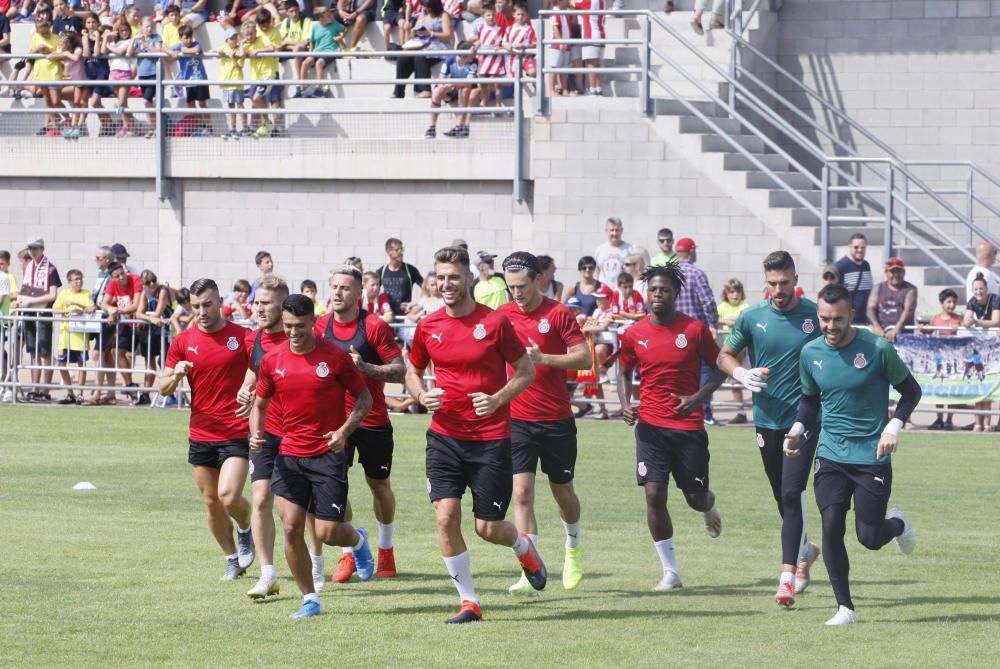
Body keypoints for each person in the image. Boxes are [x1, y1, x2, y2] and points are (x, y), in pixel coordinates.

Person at [404, 246, 544, 624]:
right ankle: (469, 602)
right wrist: (419, 394)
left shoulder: (495, 323)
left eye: (454, 277)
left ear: (469, 278)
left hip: (491, 440)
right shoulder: (428, 325)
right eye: (441, 277)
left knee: (487, 528)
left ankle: (522, 546)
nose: (447, 284)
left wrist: (497, 399)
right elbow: (412, 370)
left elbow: (525, 370)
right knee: (446, 517)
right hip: (444, 436)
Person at [784, 283, 920, 625]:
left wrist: (894, 427)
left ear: (851, 316)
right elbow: (810, 399)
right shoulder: (810, 352)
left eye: (838, 319)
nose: (830, 326)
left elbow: (911, 392)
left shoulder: (877, 348)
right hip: (830, 453)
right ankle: (845, 608)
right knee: (831, 526)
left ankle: (898, 523)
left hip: (872, 455)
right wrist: (799, 430)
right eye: (824, 319)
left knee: (870, 537)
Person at [250, 293, 375, 619]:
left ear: (313, 323)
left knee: (328, 533)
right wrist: (257, 432)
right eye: (288, 326)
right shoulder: (272, 360)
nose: (293, 332)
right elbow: (259, 404)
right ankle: (309, 599)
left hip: (327, 456)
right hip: (289, 456)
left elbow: (364, 399)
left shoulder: (334, 357)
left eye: (300, 326)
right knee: (291, 528)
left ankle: (358, 540)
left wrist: (344, 432)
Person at [717, 251, 823, 607]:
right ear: (766, 282)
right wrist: (741, 373)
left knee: (793, 492)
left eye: (785, 282)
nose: (779, 289)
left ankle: (787, 578)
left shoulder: (813, 315)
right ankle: (806, 547)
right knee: (782, 495)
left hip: (804, 418)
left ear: (795, 280)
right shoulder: (751, 317)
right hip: (766, 418)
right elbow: (724, 355)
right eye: (773, 283)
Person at [616, 263, 725, 591]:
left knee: (695, 497)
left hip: (688, 426)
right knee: (654, 493)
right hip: (650, 426)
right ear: (645, 294)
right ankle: (671, 572)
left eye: (664, 290)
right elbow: (622, 371)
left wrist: (698, 398)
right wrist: (625, 403)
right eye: (653, 290)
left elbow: (720, 367)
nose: (658, 295)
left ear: (676, 294)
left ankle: (709, 505)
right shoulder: (634, 333)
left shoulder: (694, 330)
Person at [498, 252, 590, 596]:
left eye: (522, 286)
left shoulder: (558, 313)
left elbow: (583, 358)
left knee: (562, 491)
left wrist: (544, 358)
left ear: (538, 279)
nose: (517, 293)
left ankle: (573, 548)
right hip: (517, 418)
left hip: (556, 420)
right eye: (511, 288)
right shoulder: (503, 315)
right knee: (521, 493)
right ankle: (530, 567)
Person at [158, 279, 256, 582]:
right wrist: (176, 376)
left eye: (207, 304)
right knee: (211, 501)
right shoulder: (183, 341)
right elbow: (162, 388)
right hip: (201, 431)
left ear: (220, 301)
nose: (201, 311)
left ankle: (245, 528)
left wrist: (247, 387)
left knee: (228, 496)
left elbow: (260, 366)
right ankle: (231, 559)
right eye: (196, 305)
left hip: (237, 429)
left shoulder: (243, 336)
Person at [317, 266, 406, 583]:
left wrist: (364, 366)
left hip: (372, 421)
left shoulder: (374, 327)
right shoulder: (319, 327)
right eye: (334, 286)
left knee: (378, 485)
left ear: (359, 293)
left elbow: (399, 371)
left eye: (345, 288)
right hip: (332, 424)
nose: (338, 292)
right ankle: (350, 553)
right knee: (334, 484)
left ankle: (385, 548)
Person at [232, 275, 290, 599]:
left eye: (266, 303)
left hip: (298, 432)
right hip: (263, 431)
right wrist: (245, 388)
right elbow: (253, 370)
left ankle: (318, 559)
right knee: (260, 498)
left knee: (295, 508)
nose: (259, 308)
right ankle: (267, 573)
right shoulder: (254, 339)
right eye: (257, 302)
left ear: (283, 305)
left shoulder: (298, 340)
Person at [674, 237, 720, 426]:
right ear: (691, 251)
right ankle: (704, 412)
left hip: (674, 332)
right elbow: (708, 302)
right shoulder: (697, 274)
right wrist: (713, 324)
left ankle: (677, 409)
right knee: (706, 371)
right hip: (696, 331)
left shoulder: (669, 274)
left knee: (677, 373)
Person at [15, 238, 61, 402]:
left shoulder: (50, 269)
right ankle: (35, 389)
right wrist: (20, 300)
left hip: (42, 313)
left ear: (42, 249)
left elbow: (53, 295)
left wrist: (29, 301)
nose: (33, 252)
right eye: (30, 249)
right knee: (33, 351)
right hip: (29, 314)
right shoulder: (29, 268)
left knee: (45, 352)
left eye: (36, 249)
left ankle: (45, 390)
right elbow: (26, 289)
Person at [393, 0, 453, 99]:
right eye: (425, 7)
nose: (427, 9)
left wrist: (431, 33)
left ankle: (425, 90)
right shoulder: (423, 14)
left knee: (420, 56)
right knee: (403, 58)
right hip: (422, 44)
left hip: (439, 46)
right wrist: (412, 31)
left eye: (429, 7)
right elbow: (417, 27)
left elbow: (448, 35)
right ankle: (398, 91)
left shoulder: (444, 16)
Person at [963, 274, 1000, 433]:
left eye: (981, 289)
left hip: (995, 345)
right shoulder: (972, 301)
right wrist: (967, 321)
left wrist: (976, 322)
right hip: (982, 348)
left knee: (994, 383)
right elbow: (966, 319)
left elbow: (996, 321)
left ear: (987, 289)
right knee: (982, 382)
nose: (979, 292)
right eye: (976, 289)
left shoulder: (995, 299)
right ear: (972, 290)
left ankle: (991, 422)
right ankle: (980, 422)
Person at [52, 269, 94, 405]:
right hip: (66, 337)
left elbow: (91, 308)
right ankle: (70, 393)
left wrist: (78, 307)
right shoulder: (64, 293)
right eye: (76, 279)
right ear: (69, 282)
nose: (79, 281)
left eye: (81, 278)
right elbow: (55, 309)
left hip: (80, 337)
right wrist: (67, 310)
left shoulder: (86, 293)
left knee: (82, 365)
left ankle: (80, 393)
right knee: (61, 364)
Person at [425, 39, 480, 140]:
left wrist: (451, 84)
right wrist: (446, 85)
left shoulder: (474, 62)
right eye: (471, 55)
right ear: (463, 56)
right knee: (438, 90)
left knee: (465, 89)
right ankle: (431, 127)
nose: (474, 56)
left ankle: (459, 126)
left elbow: (469, 82)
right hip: (453, 88)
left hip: (465, 89)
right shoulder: (450, 60)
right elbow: (441, 79)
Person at [926, 288, 961, 431]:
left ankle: (949, 420)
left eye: (954, 302)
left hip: (953, 360)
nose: (951, 305)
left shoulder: (958, 319)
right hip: (938, 360)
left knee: (952, 389)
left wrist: (959, 327)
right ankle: (939, 418)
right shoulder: (936, 318)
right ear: (942, 303)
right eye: (948, 302)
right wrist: (924, 328)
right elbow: (927, 331)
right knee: (939, 389)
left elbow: (964, 334)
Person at [716, 278, 750, 425]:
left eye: (737, 291)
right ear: (726, 293)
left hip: (740, 348)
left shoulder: (745, 306)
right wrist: (726, 321)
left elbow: (745, 319)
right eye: (731, 292)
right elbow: (715, 318)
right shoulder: (722, 306)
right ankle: (740, 411)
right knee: (731, 379)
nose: (735, 295)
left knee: (738, 378)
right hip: (724, 349)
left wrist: (734, 321)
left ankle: (743, 411)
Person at [866, 257, 917, 344]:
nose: (896, 275)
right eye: (892, 272)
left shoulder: (910, 289)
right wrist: (876, 326)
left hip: (902, 336)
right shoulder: (878, 288)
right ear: (886, 273)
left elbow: (909, 311)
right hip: (881, 334)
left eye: (899, 271)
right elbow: (870, 308)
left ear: (904, 272)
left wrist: (897, 329)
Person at [299, 6, 345, 99]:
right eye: (328, 15)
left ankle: (319, 89)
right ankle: (302, 88)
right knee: (305, 63)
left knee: (319, 63)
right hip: (317, 51)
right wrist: (310, 52)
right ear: (321, 18)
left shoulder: (335, 24)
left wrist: (341, 37)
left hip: (331, 51)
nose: (331, 16)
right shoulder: (315, 27)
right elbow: (312, 41)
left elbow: (345, 30)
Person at [376, 237, 423, 316]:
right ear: (389, 252)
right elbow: (372, 292)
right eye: (397, 250)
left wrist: (413, 303)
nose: (401, 252)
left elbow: (427, 290)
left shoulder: (411, 270)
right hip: (387, 316)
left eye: (402, 249)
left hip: (405, 318)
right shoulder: (381, 271)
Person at [835, 233, 872, 325]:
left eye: (863, 248)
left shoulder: (866, 265)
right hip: (849, 321)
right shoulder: (840, 266)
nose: (860, 250)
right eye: (856, 247)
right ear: (849, 247)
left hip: (865, 321)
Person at [216, 27, 247, 140]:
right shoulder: (224, 47)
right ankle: (233, 129)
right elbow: (214, 50)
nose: (234, 40)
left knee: (240, 105)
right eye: (231, 39)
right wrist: (222, 52)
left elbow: (239, 67)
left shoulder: (239, 49)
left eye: (235, 38)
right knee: (231, 107)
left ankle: (245, 128)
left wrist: (233, 58)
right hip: (226, 83)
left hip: (236, 82)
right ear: (226, 40)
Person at [576, 0, 605, 95]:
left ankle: (593, 89)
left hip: (591, 34)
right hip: (601, 34)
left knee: (591, 63)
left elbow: (573, 3)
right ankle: (598, 89)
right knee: (597, 64)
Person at [594, 217, 632, 288]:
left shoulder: (630, 249)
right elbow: (597, 270)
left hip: (622, 292)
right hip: (604, 292)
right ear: (606, 231)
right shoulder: (599, 250)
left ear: (622, 231)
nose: (614, 233)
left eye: (617, 230)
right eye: (612, 230)